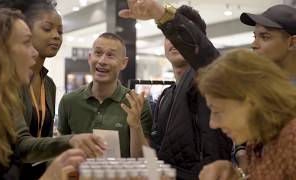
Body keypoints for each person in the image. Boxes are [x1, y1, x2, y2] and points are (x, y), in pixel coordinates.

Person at [120, 2, 232, 179]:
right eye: (168, 36)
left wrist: (161, 14)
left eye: (180, 35)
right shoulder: (166, 96)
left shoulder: (208, 81)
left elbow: (210, 60)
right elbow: (153, 162)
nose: (174, 41)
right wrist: (135, 126)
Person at [0, 7, 85, 180]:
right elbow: (20, 147)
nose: (33, 52)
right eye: (27, 42)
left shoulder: (46, 85)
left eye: (60, 31)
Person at [197, 49, 296, 180]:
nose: (213, 124)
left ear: (252, 102)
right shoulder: (256, 141)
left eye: (217, 111)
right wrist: (237, 176)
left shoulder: (292, 138)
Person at [58, 32, 153, 158]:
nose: (102, 61)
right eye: (98, 53)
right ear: (90, 57)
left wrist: (135, 125)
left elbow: (142, 160)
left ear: (123, 63)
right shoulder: (69, 101)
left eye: (110, 55)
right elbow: (60, 150)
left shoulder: (136, 103)